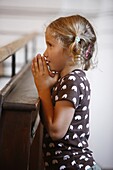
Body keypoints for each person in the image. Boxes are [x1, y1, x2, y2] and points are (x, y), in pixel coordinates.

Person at [31, 15, 101, 170]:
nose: (45, 54)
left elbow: (56, 131)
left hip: (74, 165)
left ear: (71, 50)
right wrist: (49, 87)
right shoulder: (71, 79)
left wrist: (43, 89)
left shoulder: (72, 81)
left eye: (50, 45)